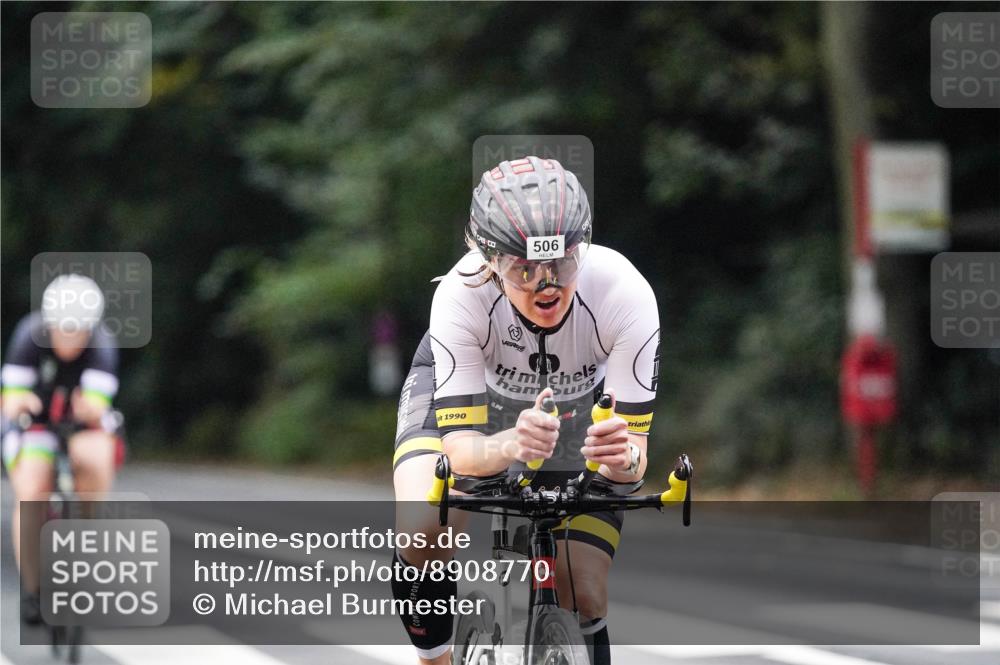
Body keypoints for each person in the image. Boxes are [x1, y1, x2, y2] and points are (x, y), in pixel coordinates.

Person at [391, 157, 659, 665]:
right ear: (489, 262)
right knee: (423, 527)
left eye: (561, 263)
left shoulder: (624, 294)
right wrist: (510, 444)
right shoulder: (460, 296)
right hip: (469, 407)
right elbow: (462, 453)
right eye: (522, 268)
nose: (546, 285)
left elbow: (636, 460)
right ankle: (436, 657)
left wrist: (621, 455)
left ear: (582, 248)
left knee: (583, 588)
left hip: (572, 408)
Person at [1, 274, 120, 625]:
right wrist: (23, 403)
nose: (71, 338)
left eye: (78, 330)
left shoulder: (102, 344)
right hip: (34, 422)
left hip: (81, 423)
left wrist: (90, 410)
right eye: (63, 329)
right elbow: (10, 399)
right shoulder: (28, 335)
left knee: (96, 455)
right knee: (32, 491)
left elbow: (98, 407)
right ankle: (34, 590)